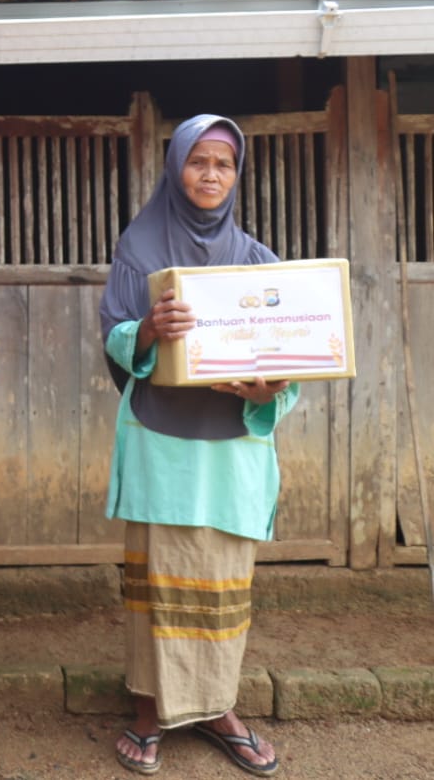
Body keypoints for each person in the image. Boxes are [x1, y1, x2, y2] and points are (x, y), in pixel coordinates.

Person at [100, 115, 299, 777]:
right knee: (157, 583)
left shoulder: (258, 264)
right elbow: (113, 341)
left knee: (221, 582)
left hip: (230, 451)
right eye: (197, 162)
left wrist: (267, 389)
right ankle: (149, 710)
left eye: (222, 164)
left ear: (236, 174)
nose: (210, 175)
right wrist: (149, 330)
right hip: (161, 443)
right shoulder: (140, 248)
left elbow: (289, 367)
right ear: (174, 167)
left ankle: (217, 707)